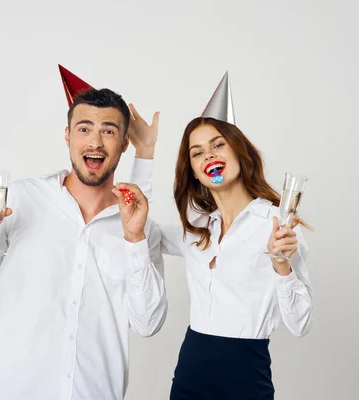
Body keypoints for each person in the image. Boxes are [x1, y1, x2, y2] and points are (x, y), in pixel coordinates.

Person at [0, 81, 167, 400]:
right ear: (67, 136)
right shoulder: (20, 200)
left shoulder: (138, 227)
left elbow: (148, 323)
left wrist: (135, 238)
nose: (95, 142)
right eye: (84, 129)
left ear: (124, 143)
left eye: (108, 131)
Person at [129, 72, 313, 399]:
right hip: (190, 369)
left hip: (244, 374)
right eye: (198, 152)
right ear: (195, 171)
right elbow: (137, 224)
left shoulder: (275, 224)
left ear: (239, 152)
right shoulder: (199, 231)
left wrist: (281, 265)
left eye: (218, 145)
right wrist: (144, 153)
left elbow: (301, 325)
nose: (209, 156)